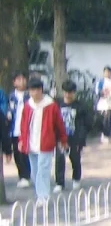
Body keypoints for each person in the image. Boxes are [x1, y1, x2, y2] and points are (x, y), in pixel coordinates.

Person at [19, 74, 68, 202]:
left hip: (45, 142)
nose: (33, 93)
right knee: (35, 172)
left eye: (36, 90)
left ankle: (44, 196)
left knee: (43, 170)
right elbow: (23, 124)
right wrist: (22, 140)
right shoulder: (28, 105)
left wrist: (63, 140)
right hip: (31, 143)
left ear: (41, 90)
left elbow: (59, 124)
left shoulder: (50, 105)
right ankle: (40, 193)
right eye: (31, 90)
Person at [55, 79, 87, 189]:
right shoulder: (57, 104)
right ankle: (60, 183)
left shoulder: (79, 106)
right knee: (59, 159)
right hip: (61, 137)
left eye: (70, 92)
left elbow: (83, 125)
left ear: (74, 92)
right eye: (66, 92)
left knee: (75, 158)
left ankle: (76, 179)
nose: (68, 95)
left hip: (74, 137)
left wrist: (81, 141)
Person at [7, 73, 32, 186]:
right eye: (18, 79)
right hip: (14, 129)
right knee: (17, 154)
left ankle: (26, 176)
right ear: (14, 82)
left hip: (27, 130)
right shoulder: (12, 96)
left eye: (23, 79)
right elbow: (9, 110)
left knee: (25, 153)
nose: (21, 81)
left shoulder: (29, 96)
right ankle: (21, 175)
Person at [95, 66, 111, 141]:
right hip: (102, 102)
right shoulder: (100, 81)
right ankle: (103, 134)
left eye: (109, 72)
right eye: (106, 72)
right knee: (104, 119)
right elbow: (97, 91)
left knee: (109, 119)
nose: (107, 74)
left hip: (110, 102)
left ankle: (107, 133)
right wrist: (102, 93)